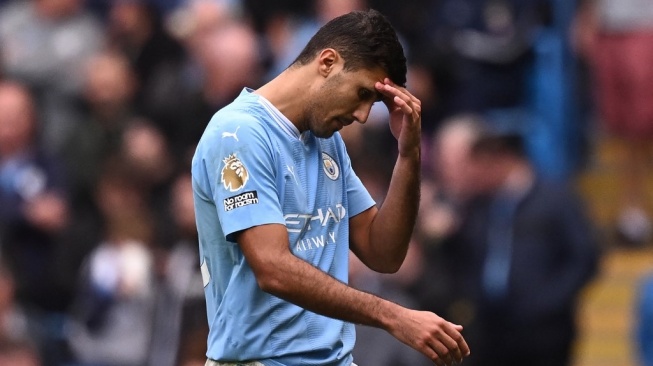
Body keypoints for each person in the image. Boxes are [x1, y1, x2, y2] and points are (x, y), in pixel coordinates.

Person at [191, 9, 470, 366]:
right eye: (363, 93)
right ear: (327, 62)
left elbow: (383, 253)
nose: (364, 115)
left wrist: (408, 154)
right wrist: (393, 316)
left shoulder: (326, 140)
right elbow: (272, 268)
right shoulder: (239, 133)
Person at [439, 125, 600, 366]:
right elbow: (462, 258)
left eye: (479, 166)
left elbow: (584, 256)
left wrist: (549, 300)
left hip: (545, 331)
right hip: (490, 328)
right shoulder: (477, 205)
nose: (474, 175)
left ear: (501, 160)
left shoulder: (555, 200)